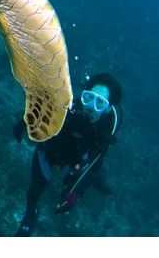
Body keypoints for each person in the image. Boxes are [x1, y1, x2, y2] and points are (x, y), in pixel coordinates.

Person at [12, 72, 123, 236]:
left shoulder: (105, 130)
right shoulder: (67, 107)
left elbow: (96, 161)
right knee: (35, 188)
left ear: (107, 108)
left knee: (72, 189)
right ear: (83, 95)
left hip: (75, 161)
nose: (91, 106)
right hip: (51, 151)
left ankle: (92, 183)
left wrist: (78, 191)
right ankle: (29, 217)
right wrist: (22, 124)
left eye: (100, 103)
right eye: (89, 97)